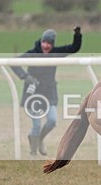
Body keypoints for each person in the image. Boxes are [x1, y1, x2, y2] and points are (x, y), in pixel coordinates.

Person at [12, 27, 82, 156]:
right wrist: (25, 76)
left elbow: (74, 48)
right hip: (32, 94)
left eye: (49, 43)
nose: (46, 45)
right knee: (36, 126)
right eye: (44, 42)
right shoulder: (32, 53)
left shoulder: (55, 53)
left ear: (52, 44)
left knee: (52, 121)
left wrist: (77, 35)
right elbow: (14, 63)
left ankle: (39, 139)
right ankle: (33, 153)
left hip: (49, 93)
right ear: (41, 42)